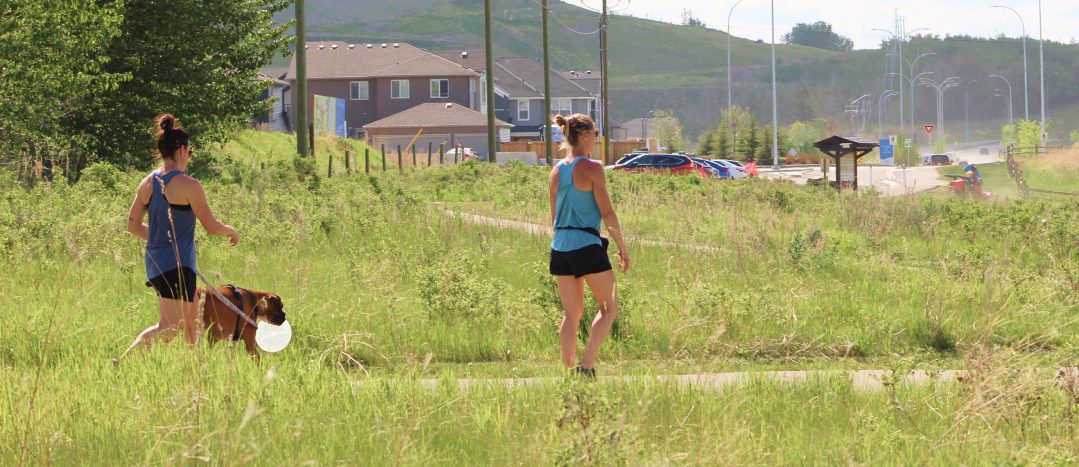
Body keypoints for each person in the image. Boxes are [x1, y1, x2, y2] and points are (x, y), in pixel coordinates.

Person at [117, 114, 238, 361]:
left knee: (192, 324)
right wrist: (230, 230)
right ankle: (124, 362)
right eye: (189, 152)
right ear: (182, 150)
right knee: (170, 327)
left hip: (156, 263)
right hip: (177, 265)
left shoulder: (147, 183)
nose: (189, 158)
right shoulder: (189, 184)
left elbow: (132, 226)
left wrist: (160, 239)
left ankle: (194, 372)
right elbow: (211, 225)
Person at [548, 113, 630, 378]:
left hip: (560, 246)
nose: (596, 138)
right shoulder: (593, 168)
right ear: (584, 136)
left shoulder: (556, 171)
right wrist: (622, 247)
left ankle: (568, 369)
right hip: (586, 244)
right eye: (595, 133)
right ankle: (587, 365)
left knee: (571, 314)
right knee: (609, 307)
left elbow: (554, 216)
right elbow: (607, 213)